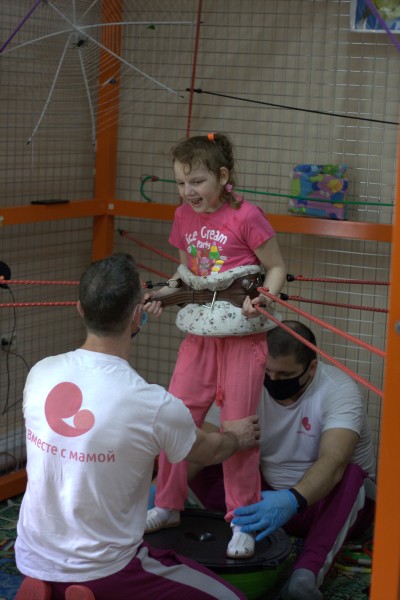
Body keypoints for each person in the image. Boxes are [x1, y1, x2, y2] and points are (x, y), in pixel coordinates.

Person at [15, 253, 262, 600]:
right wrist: (237, 436)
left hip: (31, 557)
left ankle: (52, 588)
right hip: (107, 569)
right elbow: (209, 451)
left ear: (80, 309)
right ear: (137, 315)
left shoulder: (41, 372)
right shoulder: (152, 403)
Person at [143, 132, 287, 559]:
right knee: (176, 417)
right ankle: (167, 504)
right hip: (200, 336)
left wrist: (265, 298)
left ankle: (242, 519)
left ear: (223, 177)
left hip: (243, 337)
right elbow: (185, 273)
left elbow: (277, 267)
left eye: (197, 181)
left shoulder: (247, 215)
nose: (188, 192)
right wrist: (163, 294)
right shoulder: (182, 216)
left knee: (238, 428)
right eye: (181, 183)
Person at [189, 320, 376, 600]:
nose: (273, 381)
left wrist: (293, 499)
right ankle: (241, 530)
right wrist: (160, 492)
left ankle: (306, 576)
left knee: (352, 476)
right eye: (267, 372)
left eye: (285, 374)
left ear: (311, 368)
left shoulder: (338, 389)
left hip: (325, 504)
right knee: (202, 457)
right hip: (266, 501)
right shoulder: (248, 380)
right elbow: (204, 445)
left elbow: (334, 461)